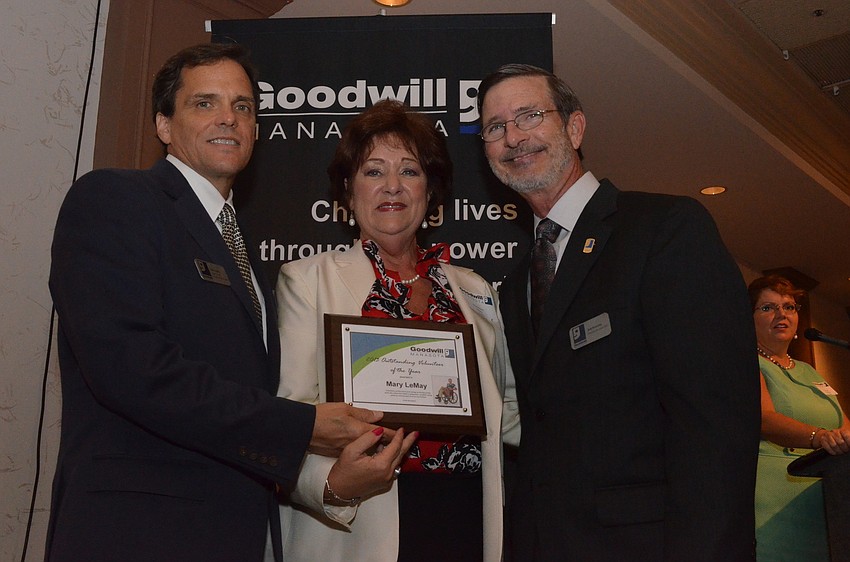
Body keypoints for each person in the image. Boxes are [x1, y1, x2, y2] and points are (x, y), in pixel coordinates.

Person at [46, 43, 400, 562]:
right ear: (163, 124)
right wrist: (302, 426)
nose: (229, 119)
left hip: (233, 533)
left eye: (244, 107)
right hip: (137, 534)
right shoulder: (115, 199)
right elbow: (132, 369)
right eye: (204, 103)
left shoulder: (241, 249)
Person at [477, 63, 760, 560]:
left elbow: (716, 424)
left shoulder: (664, 229)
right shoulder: (518, 278)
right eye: (495, 128)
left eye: (528, 115)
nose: (513, 137)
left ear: (575, 126)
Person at [274, 99, 515, 562]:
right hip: (359, 518)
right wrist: (333, 486)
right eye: (372, 172)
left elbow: (508, 413)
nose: (392, 187)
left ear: (430, 191)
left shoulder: (475, 290)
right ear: (347, 191)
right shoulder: (307, 280)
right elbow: (289, 415)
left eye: (409, 171)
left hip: (463, 515)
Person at [749, 275, 850, 560]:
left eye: (789, 307)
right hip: (776, 496)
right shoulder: (746, 362)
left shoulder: (809, 371)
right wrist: (821, 438)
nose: (781, 314)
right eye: (767, 308)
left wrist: (842, 437)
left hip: (828, 499)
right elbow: (764, 419)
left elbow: (842, 423)